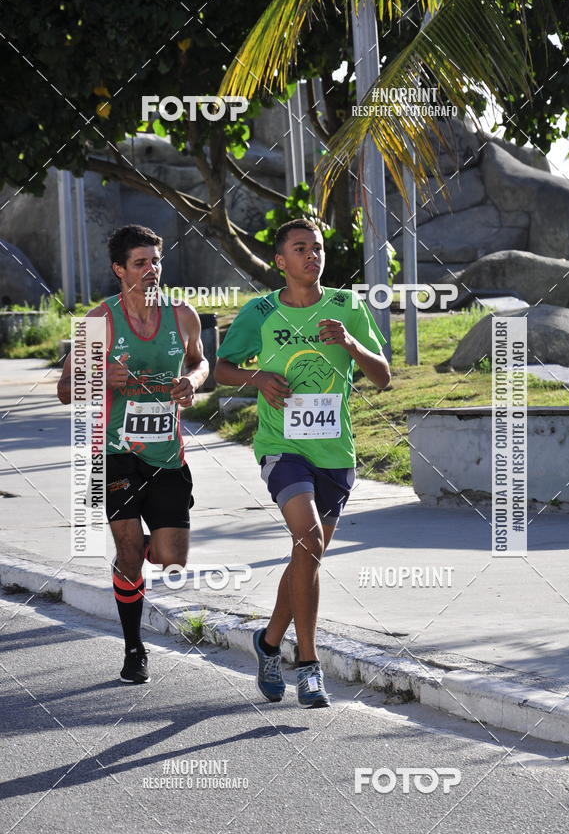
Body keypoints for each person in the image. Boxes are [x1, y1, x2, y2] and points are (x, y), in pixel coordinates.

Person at [214, 218, 390, 708]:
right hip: (282, 446)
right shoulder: (261, 311)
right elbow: (223, 368)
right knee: (308, 541)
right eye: (300, 248)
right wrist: (258, 378)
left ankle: (269, 642)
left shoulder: (347, 307)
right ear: (280, 261)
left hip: (335, 451)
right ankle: (309, 667)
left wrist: (352, 346)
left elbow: (385, 378)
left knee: (305, 556)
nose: (312, 255)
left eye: (317, 248)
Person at [57, 224, 208, 683]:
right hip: (116, 454)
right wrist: (101, 379)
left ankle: (133, 559)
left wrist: (193, 383)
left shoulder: (183, 315)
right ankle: (134, 648)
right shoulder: (98, 322)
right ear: (119, 269)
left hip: (166, 454)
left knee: (170, 558)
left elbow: (200, 361)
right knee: (128, 550)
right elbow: (66, 390)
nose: (151, 270)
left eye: (155, 262)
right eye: (140, 263)